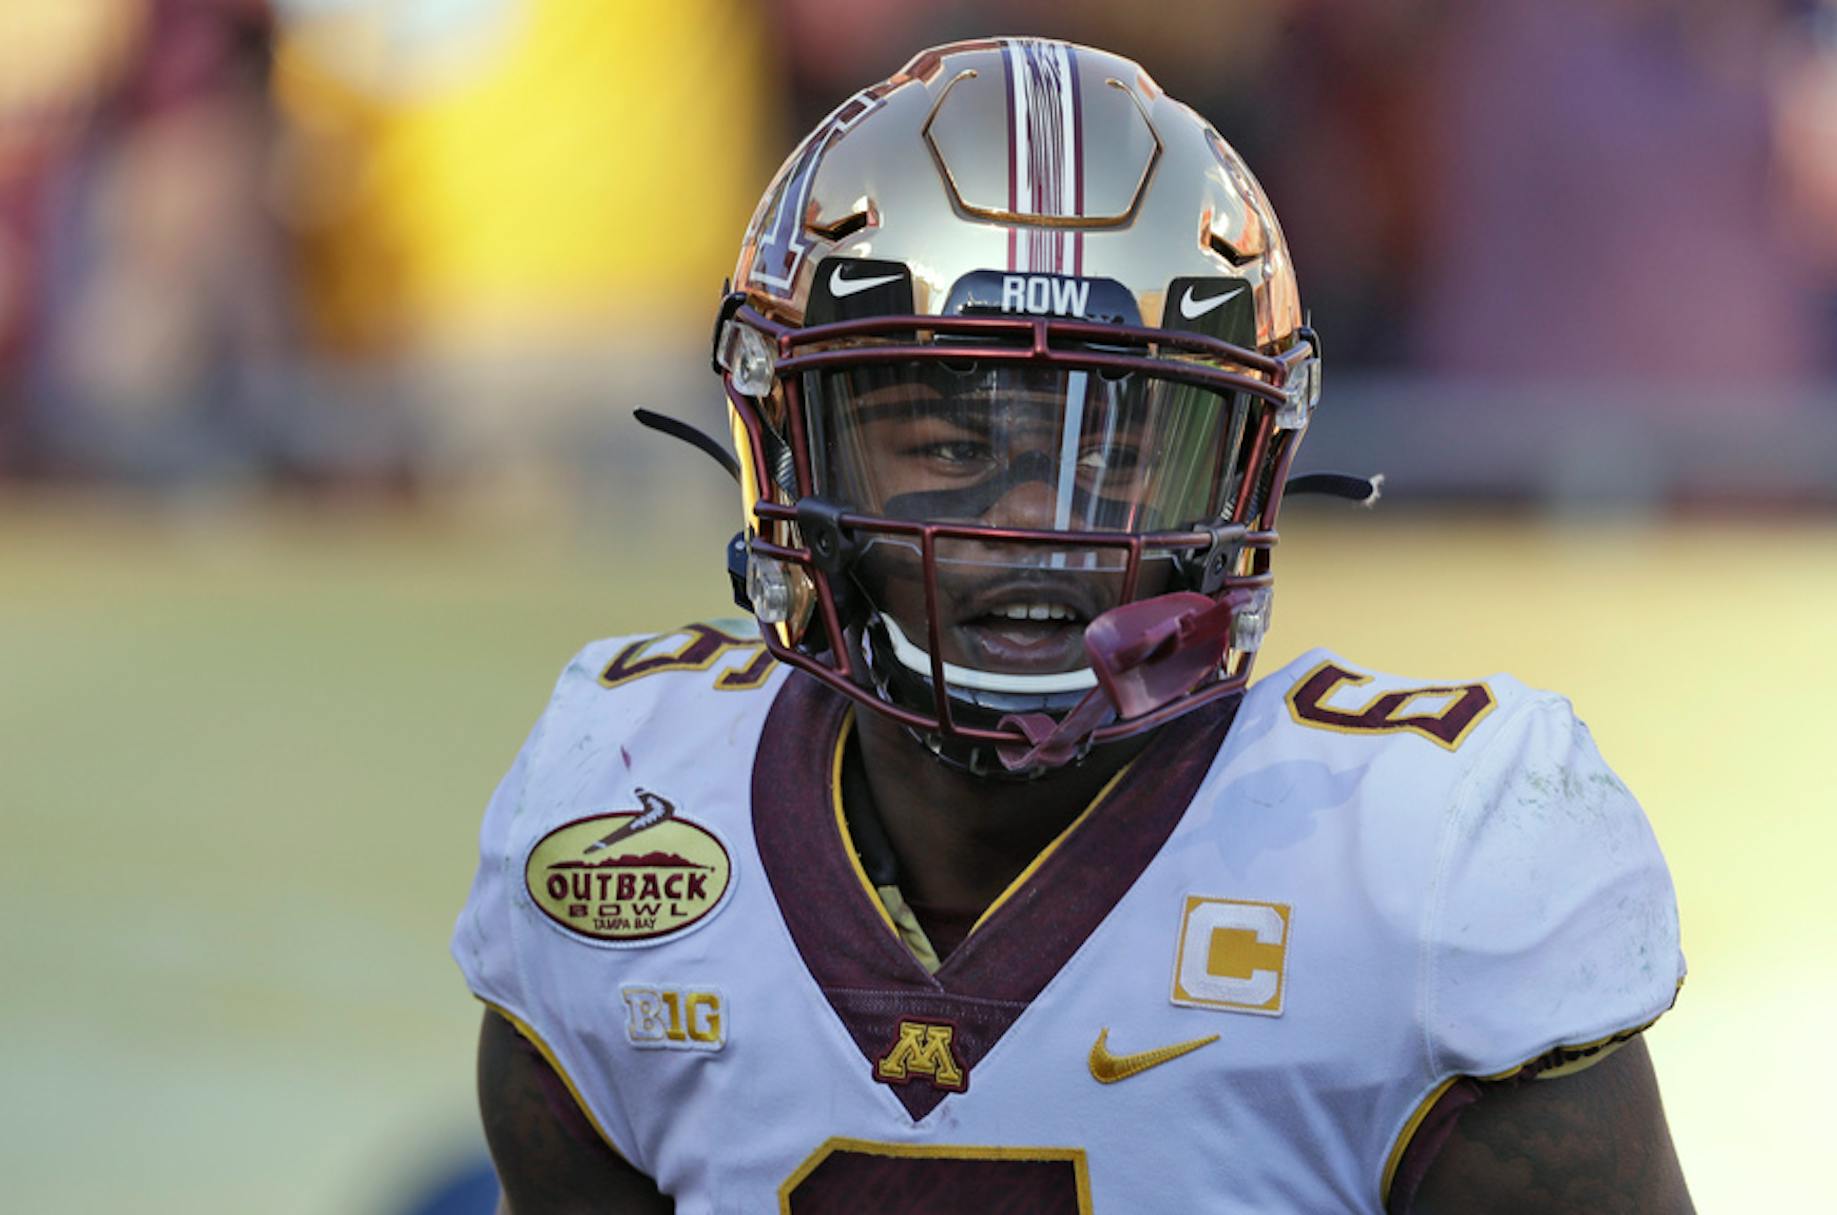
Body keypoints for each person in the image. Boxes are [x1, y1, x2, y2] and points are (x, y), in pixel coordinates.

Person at [453, 38, 1690, 1213]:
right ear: (787, 432)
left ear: (1245, 458)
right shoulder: (618, 797)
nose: (1041, 520)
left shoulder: (1431, 860)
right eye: (946, 439)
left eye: (1120, 444)